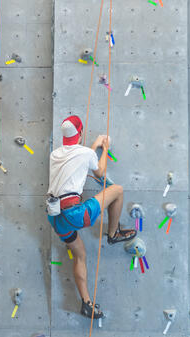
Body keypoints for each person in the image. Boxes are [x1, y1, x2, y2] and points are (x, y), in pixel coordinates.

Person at [47, 115, 136, 319]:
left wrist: (94, 145)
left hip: (55, 216)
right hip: (74, 214)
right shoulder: (86, 153)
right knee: (118, 190)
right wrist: (103, 148)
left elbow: (76, 156)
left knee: (80, 255)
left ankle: (86, 303)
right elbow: (100, 173)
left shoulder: (55, 155)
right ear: (81, 132)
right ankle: (113, 233)